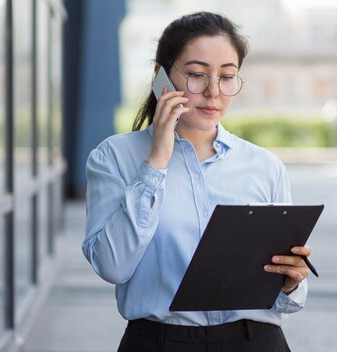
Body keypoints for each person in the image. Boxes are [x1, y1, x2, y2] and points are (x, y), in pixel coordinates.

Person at [83, 11, 313, 352]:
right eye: (196, 75)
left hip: (256, 341)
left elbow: (287, 300)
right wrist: (157, 162)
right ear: (161, 77)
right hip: (160, 342)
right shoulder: (113, 158)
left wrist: (291, 283)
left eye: (227, 76)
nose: (213, 92)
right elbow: (112, 266)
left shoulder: (265, 167)